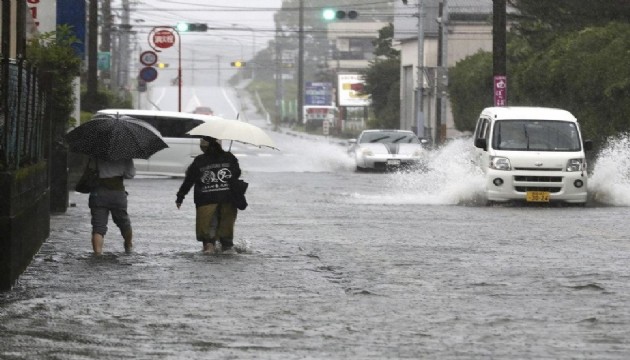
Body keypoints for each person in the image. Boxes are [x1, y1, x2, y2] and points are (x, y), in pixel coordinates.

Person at [176, 137, 241, 254]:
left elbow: (189, 180)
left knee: (208, 236)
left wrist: (180, 196)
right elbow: (237, 173)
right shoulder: (229, 157)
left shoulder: (199, 160)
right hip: (228, 199)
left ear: (203, 147)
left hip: (206, 200)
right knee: (226, 236)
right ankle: (226, 248)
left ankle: (209, 248)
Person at [88, 157, 136, 255]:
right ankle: (128, 244)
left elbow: (90, 169)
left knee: (98, 227)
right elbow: (130, 174)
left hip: (98, 193)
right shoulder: (125, 154)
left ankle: (97, 254)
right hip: (117, 193)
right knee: (124, 222)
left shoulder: (96, 152)